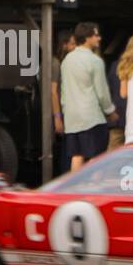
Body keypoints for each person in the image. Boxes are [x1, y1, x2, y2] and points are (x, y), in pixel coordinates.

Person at [60, 22, 118, 170]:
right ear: (87, 38)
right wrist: (110, 111)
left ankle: (73, 188)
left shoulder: (67, 60)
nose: (99, 38)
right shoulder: (95, 61)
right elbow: (101, 92)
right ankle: (91, 187)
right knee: (97, 156)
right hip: (91, 117)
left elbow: (64, 90)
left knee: (77, 155)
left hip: (72, 117)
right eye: (96, 35)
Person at [50, 30, 75, 174]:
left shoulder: (60, 62)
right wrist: (57, 117)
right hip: (56, 110)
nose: (74, 47)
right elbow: (53, 91)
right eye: (72, 44)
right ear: (64, 45)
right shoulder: (56, 63)